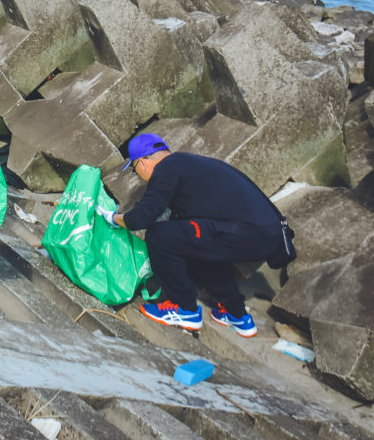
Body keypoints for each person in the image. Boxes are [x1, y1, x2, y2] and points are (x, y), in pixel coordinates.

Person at [96, 133, 288, 337]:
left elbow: (141, 218)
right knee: (194, 244)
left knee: (160, 236)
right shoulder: (190, 165)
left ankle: (184, 309)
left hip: (245, 231)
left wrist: (115, 218)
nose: (139, 176)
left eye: (135, 171)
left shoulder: (167, 168)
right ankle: (237, 314)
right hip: (267, 234)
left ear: (143, 162)